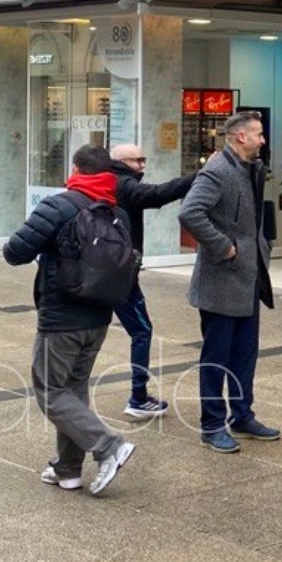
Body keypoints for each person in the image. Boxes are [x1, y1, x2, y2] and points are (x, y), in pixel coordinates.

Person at [4, 144, 137, 495]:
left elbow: (15, 252)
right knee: (73, 391)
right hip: (99, 317)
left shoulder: (58, 206)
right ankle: (68, 469)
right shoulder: (116, 213)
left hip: (61, 319)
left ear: (76, 169)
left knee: (50, 392)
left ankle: (109, 446)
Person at [178, 111, 281, 453]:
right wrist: (224, 247)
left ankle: (242, 416)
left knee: (244, 354)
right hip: (221, 280)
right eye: (258, 134)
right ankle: (211, 425)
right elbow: (190, 212)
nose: (262, 140)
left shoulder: (250, 168)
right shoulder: (217, 170)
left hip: (249, 278)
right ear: (240, 137)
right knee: (216, 357)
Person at [108, 143, 195, 418]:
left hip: (104, 270)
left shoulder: (108, 180)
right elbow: (157, 195)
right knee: (142, 331)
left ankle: (67, 392)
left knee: (88, 332)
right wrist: (198, 176)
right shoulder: (124, 183)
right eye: (139, 160)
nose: (143, 165)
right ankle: (138, 397)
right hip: (120, 274)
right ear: (123, 161)